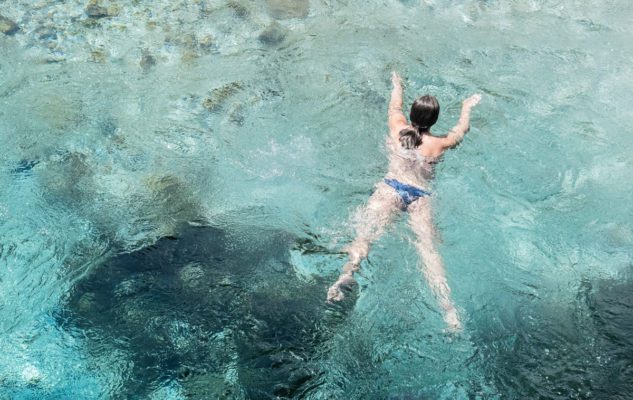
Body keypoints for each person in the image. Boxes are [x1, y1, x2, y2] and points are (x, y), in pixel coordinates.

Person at [326, 72, 482, 330]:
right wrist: (466, 107)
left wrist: (397, 84)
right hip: (420, 197)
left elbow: (394, 106)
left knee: (364, 238)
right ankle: (448, 310)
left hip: (391, 189)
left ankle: (346, 275)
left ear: (412, 115)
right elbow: (461, 129)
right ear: (434, 121)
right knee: (428, 251)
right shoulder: (440, 144)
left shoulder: (398, 128)